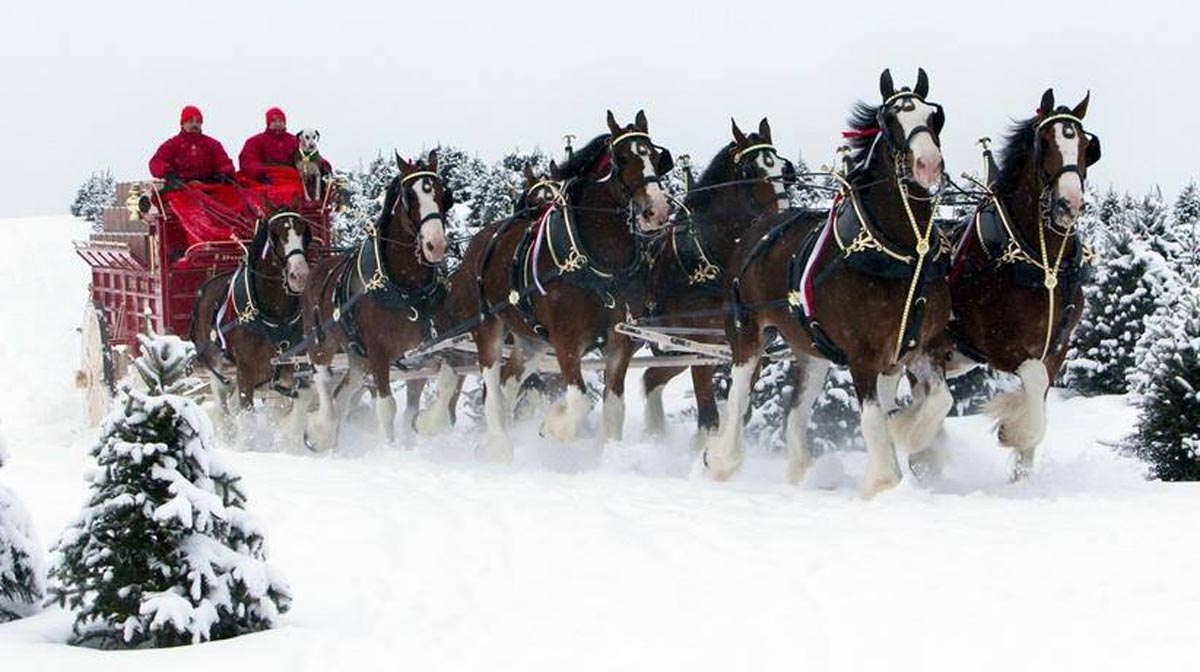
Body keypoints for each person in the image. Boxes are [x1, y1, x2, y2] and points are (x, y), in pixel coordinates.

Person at [148, 106, 254, 261]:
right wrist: (168, 173)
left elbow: (224, 161)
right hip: (182, 188)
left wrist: (225, 172)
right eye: (190, 121)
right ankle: (202, 241)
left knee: (235, 199)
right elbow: (156, 162)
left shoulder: (212, 144)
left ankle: (240, 235)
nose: (194, 124)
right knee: (190, 208)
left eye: (198, 121)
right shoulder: (172, 145)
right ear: (182, 123)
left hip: (210, 186)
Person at [238, 107, 329, 206]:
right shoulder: (255, 141)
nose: (278, 123)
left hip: (289, 175)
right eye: (274, 120)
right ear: (268, 123)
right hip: (265, 176)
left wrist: (323, 164)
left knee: (294, 190)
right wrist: (259, 173)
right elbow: (248, 159)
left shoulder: (294, 141)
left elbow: (309, 155)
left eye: (281, 120)